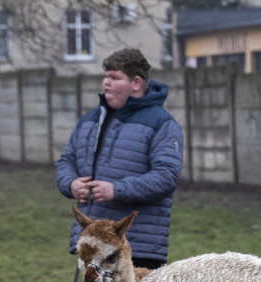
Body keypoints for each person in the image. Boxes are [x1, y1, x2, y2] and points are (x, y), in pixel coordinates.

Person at [55, 48, 184, 269]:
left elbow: (166, 177)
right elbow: (67, 160)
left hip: (138, 247)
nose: (106, 83)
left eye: (115, 78)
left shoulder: (162, 123)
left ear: (135, 83)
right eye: (106, 76)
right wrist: (70, 184)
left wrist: (116, 190)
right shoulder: (89, 120)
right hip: (95, 242)